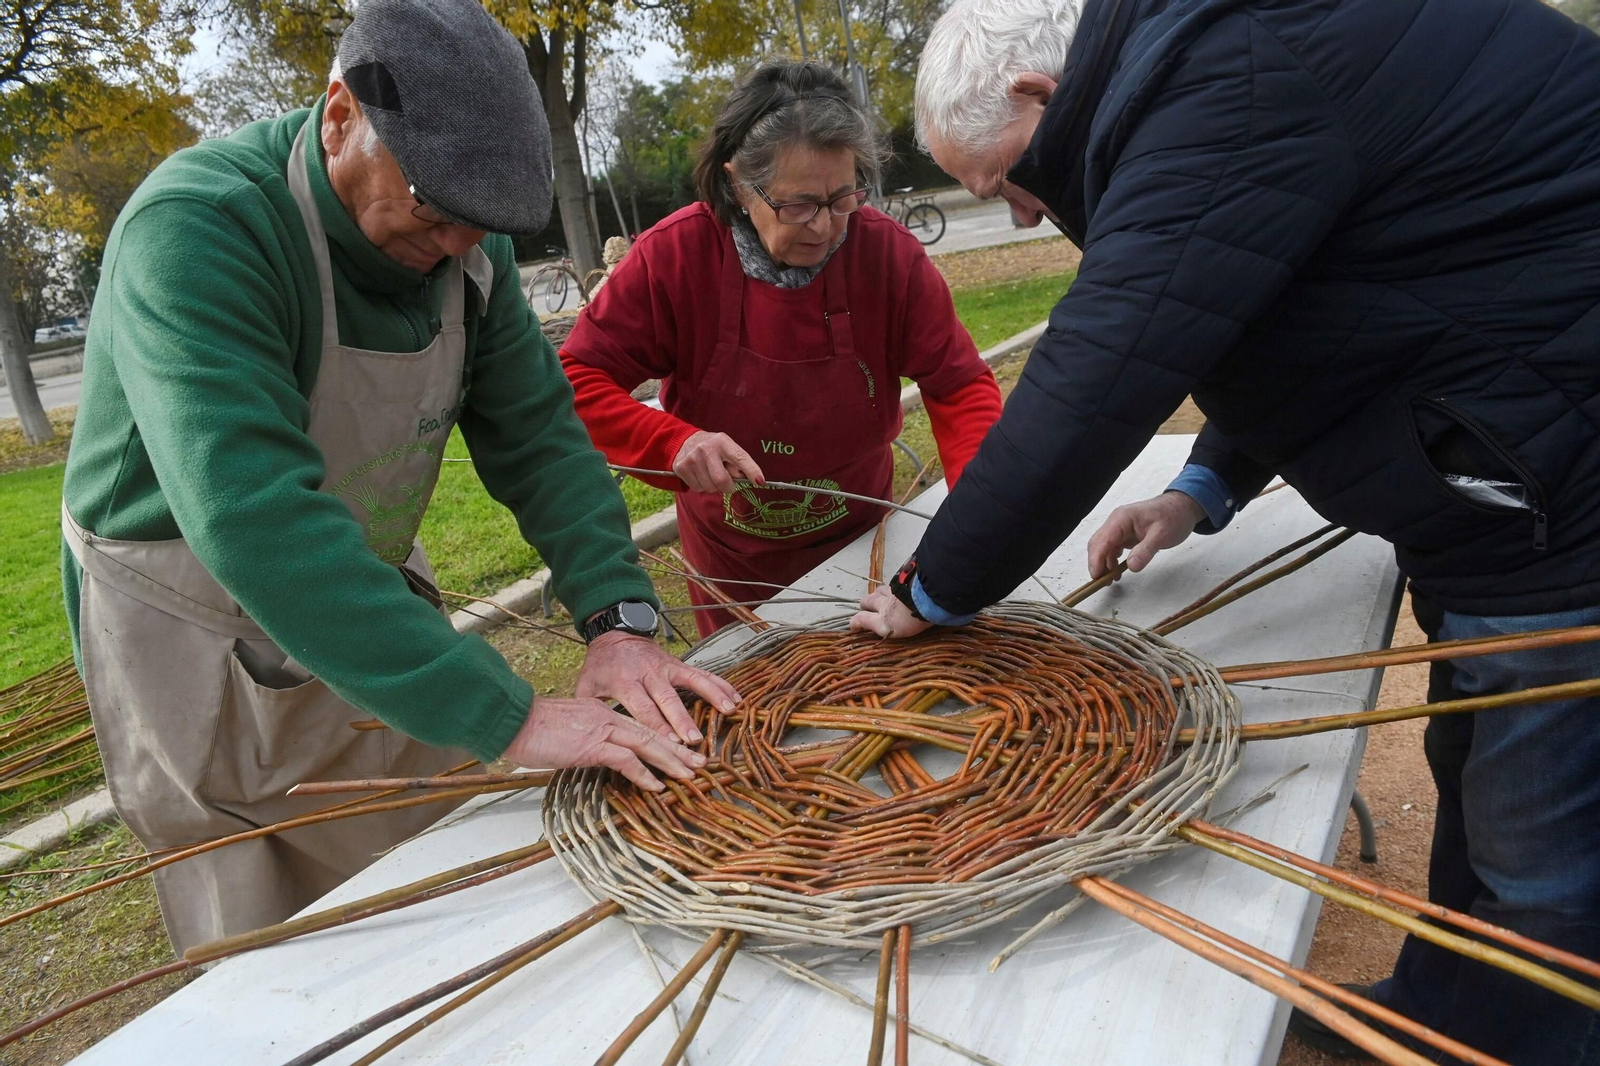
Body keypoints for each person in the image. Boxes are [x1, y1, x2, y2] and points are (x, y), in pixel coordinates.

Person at [851, 0, 1600, 1061]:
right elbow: (1295, 292)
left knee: (1544, 845)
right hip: (1511, 475)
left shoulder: (1225, 75)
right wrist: (1200, 485)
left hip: (1565, 492)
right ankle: (1444, 1016)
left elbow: (1103, 363)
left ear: (1036, 96)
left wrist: (935, 586)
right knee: (1479, 762)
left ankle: (1523, 1040)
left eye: (999, 179)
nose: (1017, 215)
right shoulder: (1215, 60)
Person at [60, 0, 737, 955]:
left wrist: (617, 617)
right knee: (279, 936)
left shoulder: (467, 246)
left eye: (480, 223)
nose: (458, 245)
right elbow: (251, 511)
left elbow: (540, 436)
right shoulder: (201, 231)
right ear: (339, 116)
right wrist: (507, 714)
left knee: (443, 889)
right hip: (195, 629)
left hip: (357, 593)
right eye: (433, 208)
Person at [559, 61, 1002, 636]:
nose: (825, 226)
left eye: (843, 197)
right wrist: (670, 441)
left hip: (862, 549)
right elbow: (574, 378)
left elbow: (959, 385)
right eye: (798, 205)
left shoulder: (886, 256)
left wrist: (980, 522)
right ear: (739, 186)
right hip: (731, 569)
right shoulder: (674, 257)